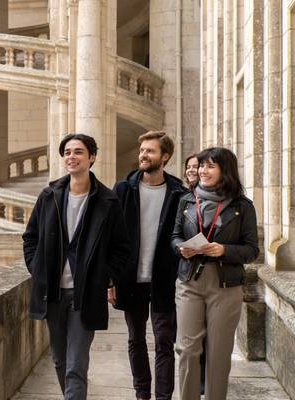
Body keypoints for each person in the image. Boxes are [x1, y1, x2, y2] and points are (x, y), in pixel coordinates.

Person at [23, 133, 132, 400]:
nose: (71, 157)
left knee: (75, 365)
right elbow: (31, 237)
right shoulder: (49, 195)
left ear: (92, 157)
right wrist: (37, 269)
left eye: (78, 152)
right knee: (60, 361)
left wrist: (105, 277)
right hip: (53, 294)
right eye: (67, 152)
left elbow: (122, 248)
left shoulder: (108, 201)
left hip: (86, 295)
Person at [171, 147, 260, 400]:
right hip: (190, 281)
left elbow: (252, 250)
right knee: (187, 349)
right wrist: (180, 248)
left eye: (210, 166)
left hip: (225, 286)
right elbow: (175, 235)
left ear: (225, 170)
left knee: (219, 354)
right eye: (201, 166)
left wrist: (224, 250)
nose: (202, 170)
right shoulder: (187, 200)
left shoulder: (242, 206)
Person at [109, 131, 187, 400]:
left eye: (150, 151)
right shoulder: (122, 190)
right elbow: (110, 237)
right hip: (130, 278)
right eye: (142, 150)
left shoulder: (180, 193)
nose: (143, 155)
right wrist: (110, 280)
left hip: (165, 279)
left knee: (165, 341)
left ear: (165, 157)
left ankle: (163, 397)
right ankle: (142, 394)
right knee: (136, 339)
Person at [182, 153, 205, 394]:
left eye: (195, 166)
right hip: (185, 270)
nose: (191, 170)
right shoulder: (184, 197)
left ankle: (201, 378)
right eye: (188, 167)